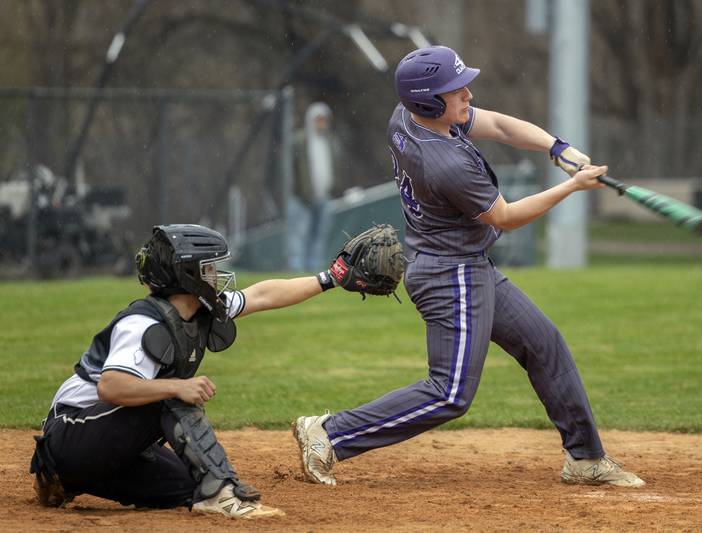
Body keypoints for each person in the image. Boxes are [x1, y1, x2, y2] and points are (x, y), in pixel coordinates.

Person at [292, 46, 645, 488]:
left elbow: (496, 125)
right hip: (450, 274)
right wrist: (572, 186)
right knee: (450, 393)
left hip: (462, 262)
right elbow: (506, 218)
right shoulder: (446, 163)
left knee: (544, 344)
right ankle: (330, 432)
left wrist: (557, 147)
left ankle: (585, 458)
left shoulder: (409, 116)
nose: (468, 94)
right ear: (430, 102)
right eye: (455, 91)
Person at [30, 224, 342, 518]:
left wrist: (331, 277)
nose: (216, 275)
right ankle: (222, 492)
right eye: (208, 268)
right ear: (186, 274)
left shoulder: (198, 309)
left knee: (187, 485)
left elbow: (262, 295)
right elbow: (111, 387)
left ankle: (62, 480)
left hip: (96, 447)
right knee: (171, 393)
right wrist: (176, 388)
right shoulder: (143, 323)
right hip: (71, 432)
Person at [288, 102, 338, 271]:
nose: (321, 123)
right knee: (301, 235)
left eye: (324, 119)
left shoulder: (330, 141)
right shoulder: (299, 141)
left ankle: (316, 272)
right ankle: (297, 271)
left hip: (324, 196)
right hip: (301, 199)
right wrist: (300, 193)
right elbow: (291, 172)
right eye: (318, 119)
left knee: (320, 235)